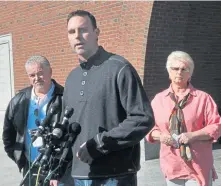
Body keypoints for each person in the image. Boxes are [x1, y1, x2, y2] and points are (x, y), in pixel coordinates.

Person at [50, 10, 154, 186]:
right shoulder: (71, 78)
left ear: (96, 33)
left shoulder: (119, 68)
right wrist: (59, 168)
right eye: (71, 32)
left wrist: (99, 144)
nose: (77, 36)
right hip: (79, 176)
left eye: (83, 30)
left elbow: (143, 118)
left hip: (115, 175)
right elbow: (69, 128)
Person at [146, 51, 221, 186]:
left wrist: (193, 135)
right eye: (175, 68)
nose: (179, 72)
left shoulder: (203, 99)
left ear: (190, 73)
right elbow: (150, 128)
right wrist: (161, 136)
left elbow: (216, 126)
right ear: (169, 71)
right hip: (172, 165)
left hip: (198, 166)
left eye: (184, 69)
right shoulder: (159, 100)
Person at [2, 55, 66, 186]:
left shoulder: (65, 97)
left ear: (50, 72)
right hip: (30, 166)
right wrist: (20, 160)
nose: (36, 79)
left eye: (40, 73)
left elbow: (71, 135)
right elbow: (8, 135)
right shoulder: (18, 100)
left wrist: (60, 167)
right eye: (32, 75)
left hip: (58, 169)